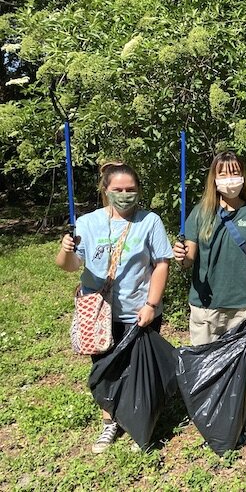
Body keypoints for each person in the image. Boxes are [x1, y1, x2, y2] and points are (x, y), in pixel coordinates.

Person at [55, 162, 173, 453]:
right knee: (104, 370)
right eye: (117, 189)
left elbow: (161, 264)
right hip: (97, 313)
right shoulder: (87, 223)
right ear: (105, 190)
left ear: (138, 191)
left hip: (139, 311)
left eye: (130, 189)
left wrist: (151, 304)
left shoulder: (150, 222)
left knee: (138, 370)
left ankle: (139, 421)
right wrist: (65, 250)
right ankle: (110, 422)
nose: (124, 194)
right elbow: (68, 266)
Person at [172, 151, 246, 346]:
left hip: (243, 305)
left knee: (242, 366)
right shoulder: (201, 212)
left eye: (235, 173)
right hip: (206, 307)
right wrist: (181, 255)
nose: (230, 179)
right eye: (223, 174)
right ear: (214, 178)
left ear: (243, 176)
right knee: (205, 367)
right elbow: (188, 258)